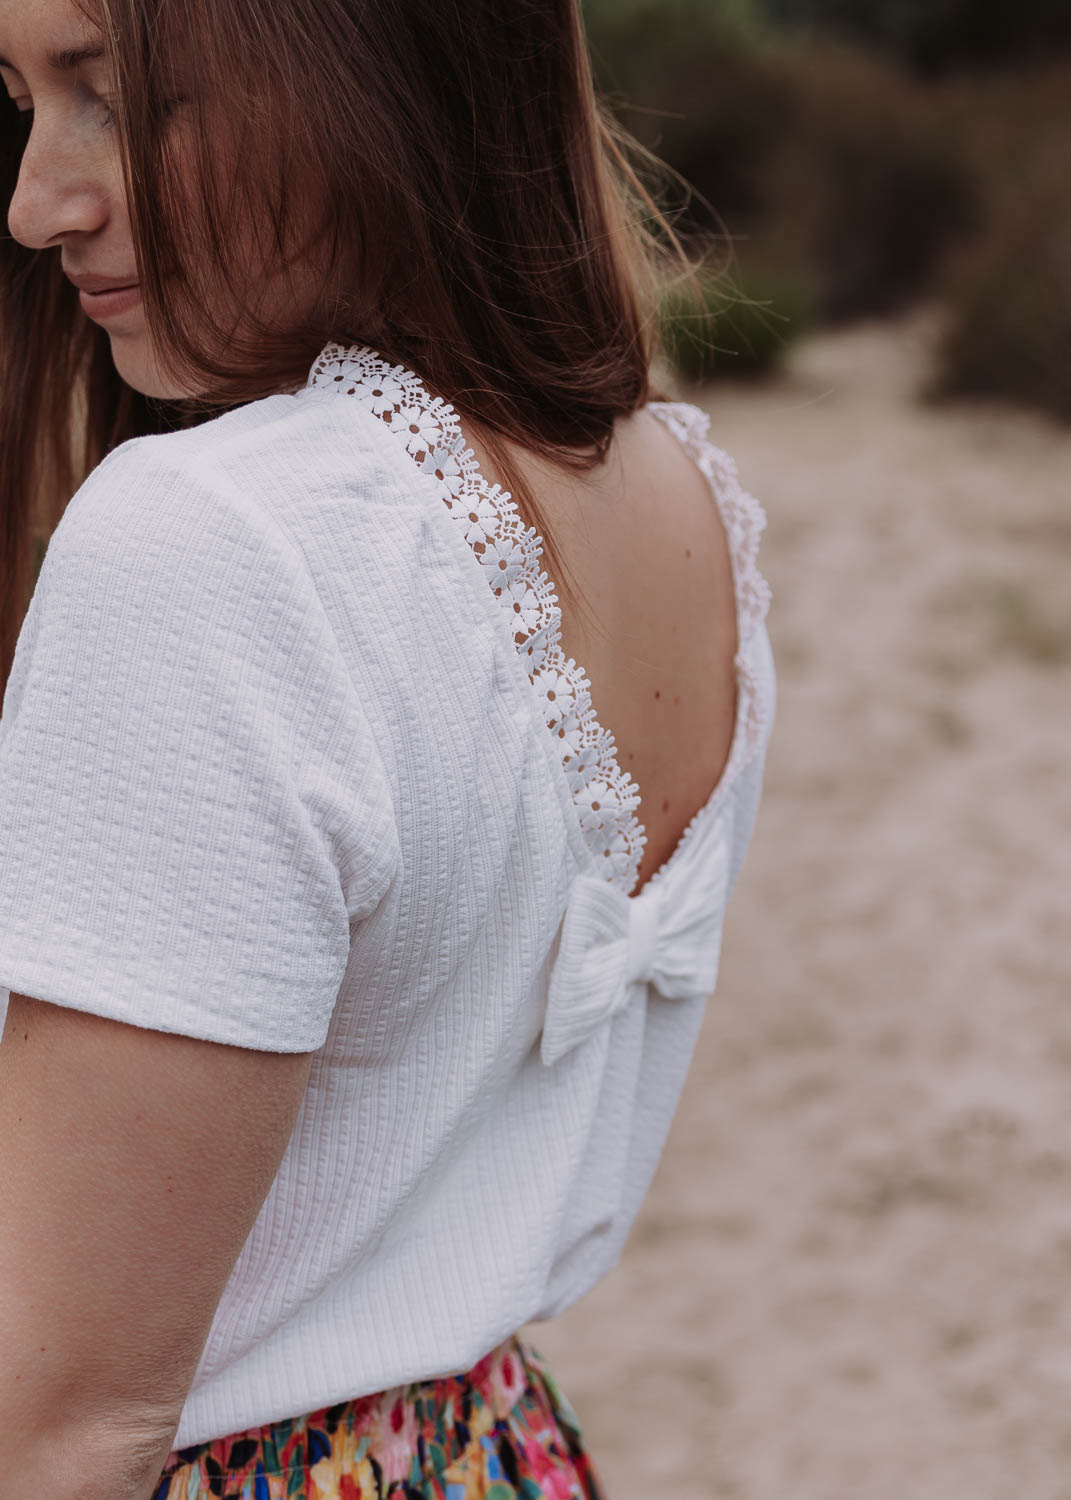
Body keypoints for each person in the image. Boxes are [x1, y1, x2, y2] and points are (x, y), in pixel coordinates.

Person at [0, 0, 776, 1493]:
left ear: (366, 60)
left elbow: (59, 1427)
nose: (39, 204)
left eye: (123, 99)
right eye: (23, 104)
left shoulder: (219, 540)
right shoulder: (677, 493)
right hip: (490, 1450)